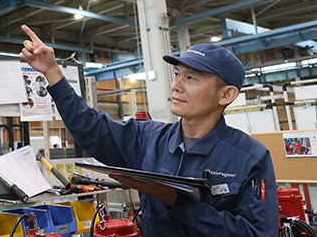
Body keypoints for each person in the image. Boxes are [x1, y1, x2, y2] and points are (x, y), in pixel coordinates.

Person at [19, 24, 278, 236]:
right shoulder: (147, 138)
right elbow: (91, 128)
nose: (176, 85)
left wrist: (178, 203)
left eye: (191, 78)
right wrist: (52, 73)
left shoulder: (250, 159)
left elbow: (258, 233)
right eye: (177, 74)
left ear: (226, 94)